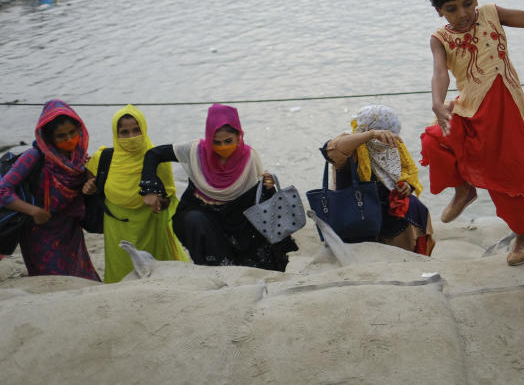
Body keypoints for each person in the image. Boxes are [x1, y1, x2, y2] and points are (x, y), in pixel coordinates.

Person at [420, 0, 524, 266]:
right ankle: (463, 188)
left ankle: (522, 236)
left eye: (468, 3)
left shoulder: (492, 14)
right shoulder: (439, 38)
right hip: (469, 109)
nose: (463, 13)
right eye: (452, 9)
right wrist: (437, 101)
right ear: (440, 11)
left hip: (506, 113)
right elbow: (440, 73)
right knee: (433, 142)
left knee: (503, 181)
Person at [139, 104, 297, 271]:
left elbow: (259, 200)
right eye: (216, 142)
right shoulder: (194, 151)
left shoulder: (249, 158)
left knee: (260, 257)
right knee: (194, 220)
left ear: (238, 136)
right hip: (204, 216)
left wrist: (268, 186)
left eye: (228, 141)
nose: (222, 147)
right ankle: (211, 268)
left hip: (240, 220)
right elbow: (153, 154)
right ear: (208, 138)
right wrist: (151, 190)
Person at [86, 105, 188, 283]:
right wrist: (89, 185)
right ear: (115, 134)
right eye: (124, 132)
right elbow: (90, 177)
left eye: (136, 130)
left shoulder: (158, 159)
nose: (131, 137)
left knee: (160, 275)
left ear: (144, 129)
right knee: (120, 271)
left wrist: (157, 201)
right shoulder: (104, 158)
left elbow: (169, 199)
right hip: (116, 227)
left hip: (151, 226)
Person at [0, 100, 99, 280]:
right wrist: (33, 211)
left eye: (72, 132)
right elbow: (3, 191)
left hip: (71, 230)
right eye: (61, 136)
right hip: (40, 233)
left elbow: (88, 184)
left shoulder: (79, 158)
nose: (69, 139)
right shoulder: (34, 157)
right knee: (52, 281)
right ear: (49, 138)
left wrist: (91, 183)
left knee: (82, 277)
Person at [321, 105, 435, 255]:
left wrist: (407, 185)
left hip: (388, 214)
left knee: (417, 209)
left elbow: (408, 172)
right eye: (384, 136)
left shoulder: (392, 149)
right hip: (360, 216)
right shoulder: (354, 147)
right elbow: (331, 151)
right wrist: (371, 135)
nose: (387, 142)